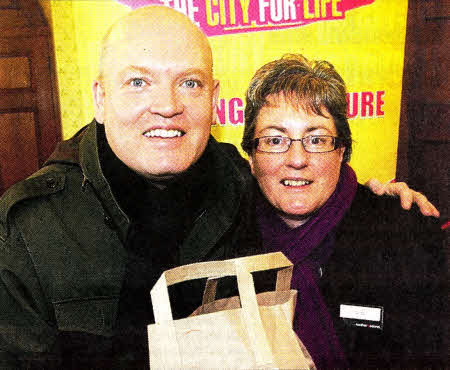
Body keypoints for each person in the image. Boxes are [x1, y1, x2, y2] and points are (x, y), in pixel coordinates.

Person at [0, 6, 438, 369]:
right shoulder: (28, 231)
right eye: (138, 82)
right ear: (99, 98)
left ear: (213, 99)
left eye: (189, 83)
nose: (168, 105)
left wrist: (380, 198)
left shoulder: (236, 186)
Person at [241, 54, 448, 368]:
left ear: (342, 151)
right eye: (274, 139)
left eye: (317, 139)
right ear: (252, 156)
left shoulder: (407, 237)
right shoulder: (226, 244)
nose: (297, 158)